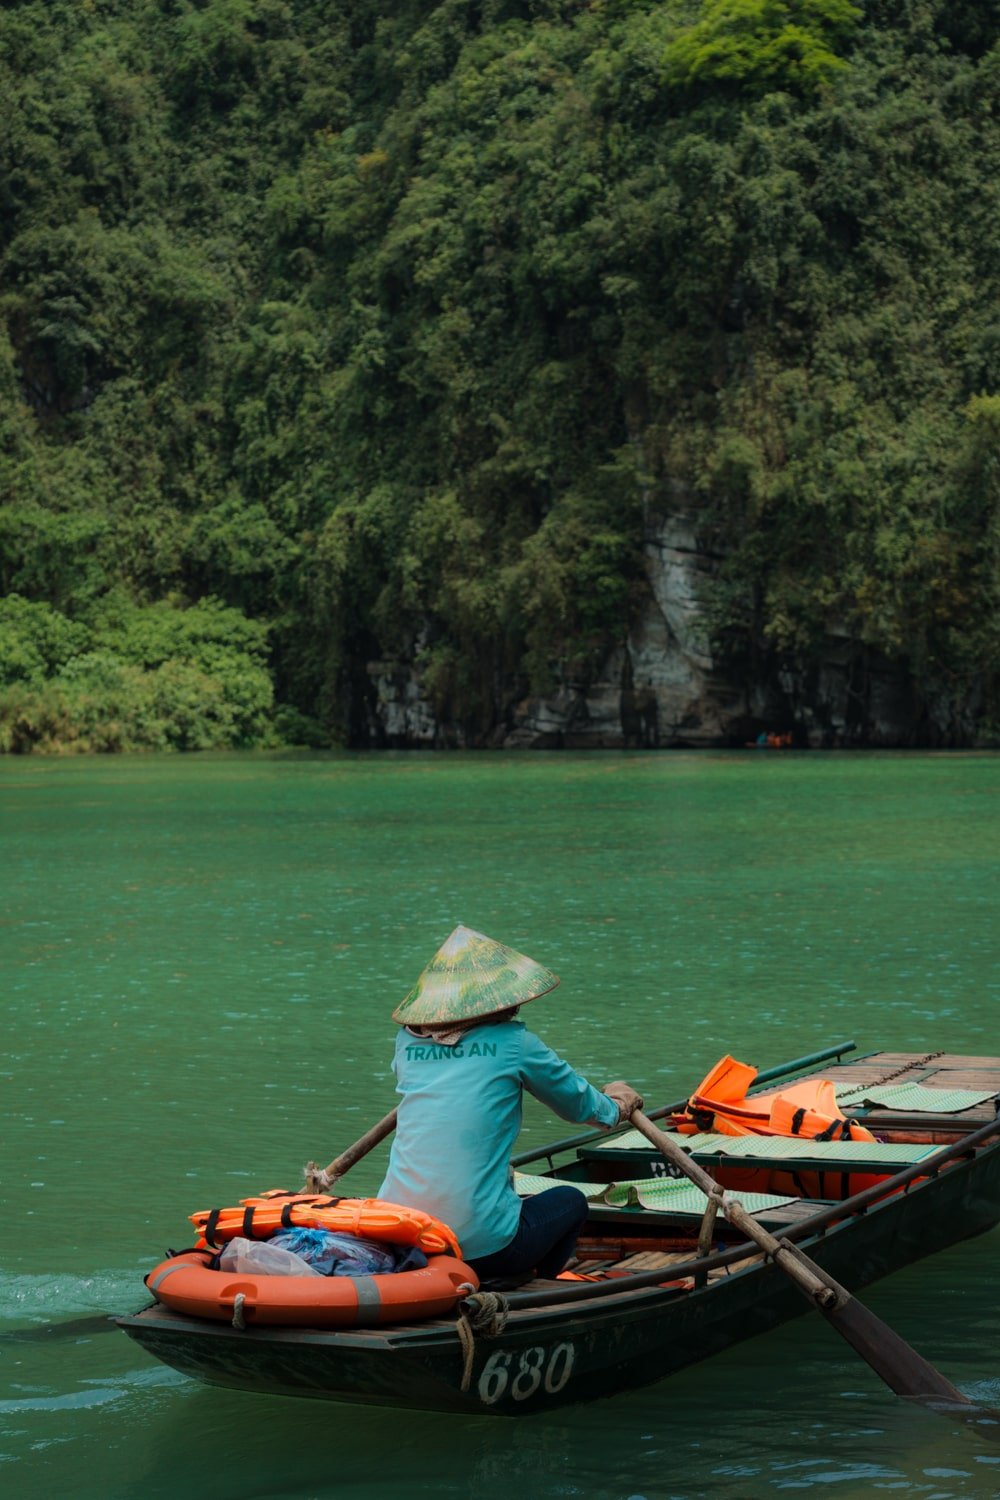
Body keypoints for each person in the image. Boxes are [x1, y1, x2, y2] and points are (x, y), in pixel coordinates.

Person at [372, 924, 643, 1283]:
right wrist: (619, 1104)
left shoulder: (405, 1044)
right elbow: (584, 1108)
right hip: (482, 1248)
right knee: (572, 1202)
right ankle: (530, 1281)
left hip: (401, 1233)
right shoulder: (514, 1043)